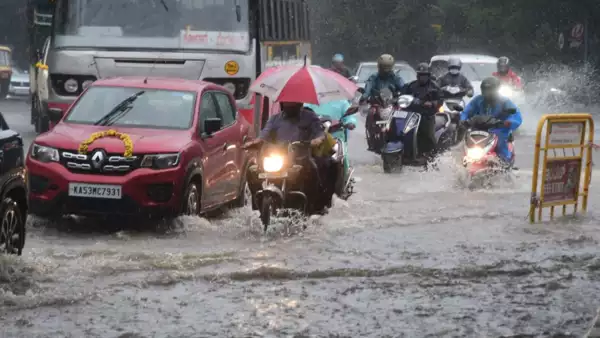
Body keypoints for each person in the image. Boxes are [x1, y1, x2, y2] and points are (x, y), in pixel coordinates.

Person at [242, 101, 329, 213]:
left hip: (300, 158)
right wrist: (254, 142)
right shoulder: (274, 119)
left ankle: (313, 208)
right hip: (279, 158)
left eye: (293, 104)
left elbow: (320, 133)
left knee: (314, 170)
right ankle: (257, 205)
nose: (290, 107)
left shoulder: (310, 117)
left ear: (300, 104)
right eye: (287, 104)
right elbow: (264, 135)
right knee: (252, 171)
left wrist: (317, 140)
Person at [459, 77, 523, 166]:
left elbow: (516, 114)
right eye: (485, 90)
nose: (487, 92)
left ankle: (504, 161)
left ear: (496, 90)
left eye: (490, 90)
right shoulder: (478, 100)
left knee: (500, 139)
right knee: (465, 138)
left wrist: (509, 122)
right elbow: (467, 111)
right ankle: (463, 160)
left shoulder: (504, 101)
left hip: (499, 128)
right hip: (480, 127)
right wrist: (463, 120)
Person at [304, 100, 358, 188]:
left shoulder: (342, 102)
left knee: (340, 157)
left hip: (335, 137)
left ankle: (344, 179)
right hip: (314, 138)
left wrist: (350, 123)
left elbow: (350, 117)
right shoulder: (309, 102)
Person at [403, 62, 442, 161]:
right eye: (420, 75)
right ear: (417, 75)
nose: (422, 78)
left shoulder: (434, 87)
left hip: (426, 116)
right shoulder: (411, 86)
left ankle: (434, 158)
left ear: (428, 76)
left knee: (429, 135)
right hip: (411, 115)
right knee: (402, 131)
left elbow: (440, 100)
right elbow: (402, 95)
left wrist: (432, 104)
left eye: (424, 75)